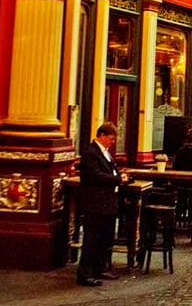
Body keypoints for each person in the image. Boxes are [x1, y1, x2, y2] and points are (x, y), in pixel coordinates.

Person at [77, 122, 128, 287]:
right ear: (102, 135)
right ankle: (85, 274)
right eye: (111, 139)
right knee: (92, 238)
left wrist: (120, 176)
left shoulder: (105, 152)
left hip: (107, 202)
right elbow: (95, 176)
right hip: (96, 202)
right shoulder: (91, 153)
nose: (113, 142)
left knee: (104, 238)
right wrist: (117, 179)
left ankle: (100, 268)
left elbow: (110, 170)